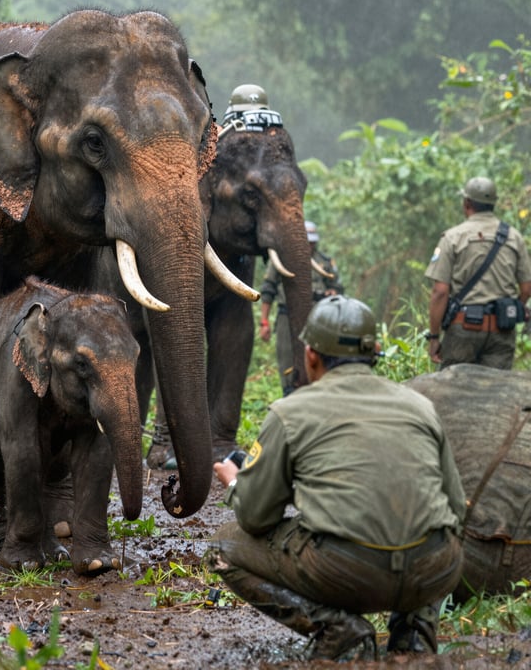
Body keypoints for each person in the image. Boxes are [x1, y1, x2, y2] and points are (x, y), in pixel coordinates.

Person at [206, 295, 465, 661]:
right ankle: (415, 635)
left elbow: (256, 517)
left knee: (223, 548)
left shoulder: (291, 412)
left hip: (347, 572)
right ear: (375, 350)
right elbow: (455, 507)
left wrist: (236, 483)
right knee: (431, 530)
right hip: (435, 568)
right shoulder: (419, 405)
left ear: (311, 355)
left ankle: (336, 626)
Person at [425, 176, 531, 369]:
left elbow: (440, 292)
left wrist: (434, 337)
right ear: (493, 204)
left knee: (455, 391)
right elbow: (526, 288)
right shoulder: (514, 237)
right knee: (497, 391)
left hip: (463, 329)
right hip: (502, 331)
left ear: (467, 203)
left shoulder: (452, 238)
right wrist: (508, 312)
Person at [259, 220, 342, 395]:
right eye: (307, 241)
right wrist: (264, 321)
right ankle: (289, 393)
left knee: (319, 355)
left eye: (312, 242)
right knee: (288, 360)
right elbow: (268, 290)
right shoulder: (282, 259)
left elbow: (337, 287)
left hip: (317, 316)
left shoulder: (324, 262)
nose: (309, 246)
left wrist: (332, 292)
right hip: (286, 316)